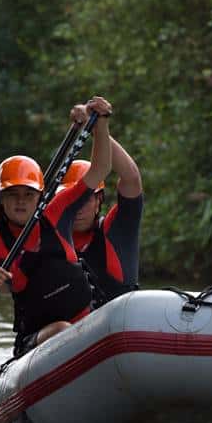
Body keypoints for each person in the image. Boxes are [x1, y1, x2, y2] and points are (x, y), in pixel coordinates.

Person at [0, 96, 113, 358]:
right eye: (12, 195)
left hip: (88, 325)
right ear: (1, 198)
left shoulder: (56, 211)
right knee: (62, 329)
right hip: (37, 340)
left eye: (28, 194)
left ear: (40, 196)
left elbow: (101, 169)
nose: (21, 202)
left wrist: (101, 125)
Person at [57, 104, 143, 305]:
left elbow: (131, 178)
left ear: (98, 201)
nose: (78, 207)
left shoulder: (117, 228)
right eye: (72, 199)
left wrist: (96, 128)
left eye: (85, 199)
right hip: (68, 321)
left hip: (120, 316)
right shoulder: (49, 237)